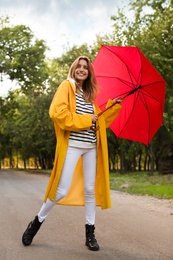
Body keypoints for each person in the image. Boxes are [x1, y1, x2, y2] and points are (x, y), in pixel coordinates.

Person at [22, 56, 122, 251]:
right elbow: (58, 114)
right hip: (73, 145)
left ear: (89, 72)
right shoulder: (66, 87)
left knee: (90, 190)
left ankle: (90, 234)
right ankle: (36, 222)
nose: (82, 69)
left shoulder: (88, 95)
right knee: (60, 191)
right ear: (74, 68)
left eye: (86, 67)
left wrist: (112, 106)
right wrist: (87, 120)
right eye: (79, 66)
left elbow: (98, 122)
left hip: (91, 147)